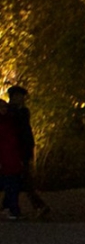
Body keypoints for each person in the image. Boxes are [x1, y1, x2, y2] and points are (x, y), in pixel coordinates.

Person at [7, 86, 50, 219]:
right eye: (20, 96)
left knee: (21, 180)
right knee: (20, 180)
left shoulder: (23, 112)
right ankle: (38, 205)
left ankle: (11, 206)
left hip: (22, 150)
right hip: (14, 151)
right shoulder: (10, 113)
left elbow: (26, 133)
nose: (22, 99)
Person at [0, 98, 23, 220]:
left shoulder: (10, 122)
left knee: (13, 184)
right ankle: (13, 209)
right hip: (6, 158)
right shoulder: (6, 123)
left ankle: (11, 208)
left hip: (12, 156)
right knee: (11, 185)